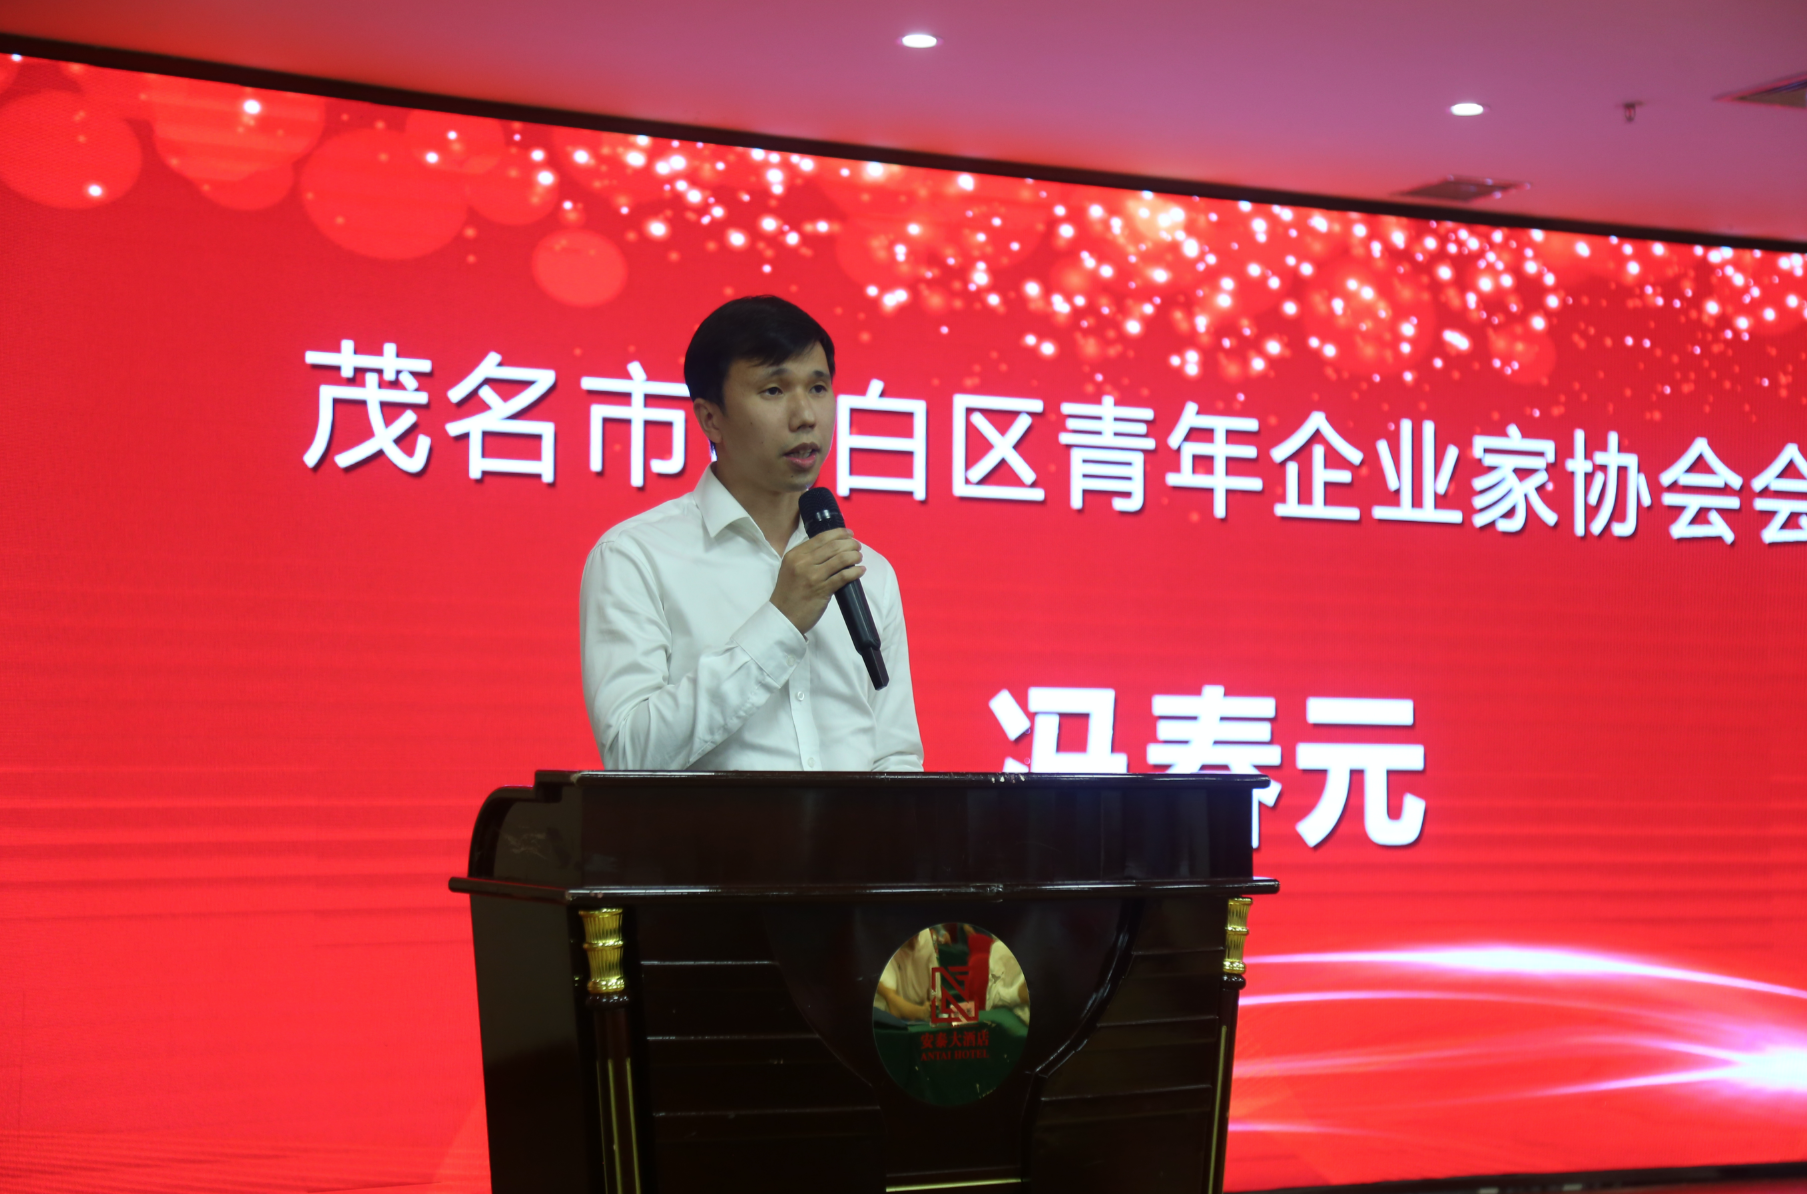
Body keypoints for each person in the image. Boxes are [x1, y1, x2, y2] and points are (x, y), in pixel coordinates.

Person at [580, 295, 923, 771]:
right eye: (774, 391)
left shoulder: (867, 570)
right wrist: (780, 622)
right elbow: (629, 754)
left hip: (852, 826)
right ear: (710, 418)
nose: (805, 416)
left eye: (818, 387)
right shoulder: (635, 557)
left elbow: (896, 757)